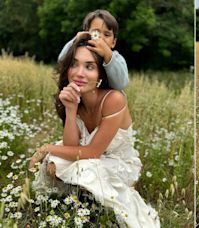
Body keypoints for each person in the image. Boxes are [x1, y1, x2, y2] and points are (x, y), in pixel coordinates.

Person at [30, 36, 160, 228]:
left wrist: (46, 148)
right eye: (74, 65)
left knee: (82, 166)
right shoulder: (73, 97)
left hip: (117, 163)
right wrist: (71, 109)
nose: (79, 73)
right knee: (55, 163)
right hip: (89, 156)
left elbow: (91, 152)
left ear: (100, 75)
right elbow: (72, 147)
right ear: (67, 70)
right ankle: (81, 205)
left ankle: (104, 209)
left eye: (89, 67)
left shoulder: (114, 99)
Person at [58, 9, 128, 90]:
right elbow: (62, 60)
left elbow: (121, 84)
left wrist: (108, 55)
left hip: (105, 100)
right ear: (87, 34)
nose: (101, 38)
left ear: (113, 42)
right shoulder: (82, 52)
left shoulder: (116, 58)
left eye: (107, 34)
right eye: (96, 33)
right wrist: (76, 40)